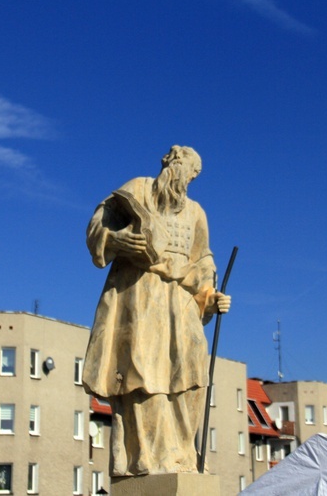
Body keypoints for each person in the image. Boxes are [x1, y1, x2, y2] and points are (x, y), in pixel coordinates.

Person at [83, 145, 231, 476]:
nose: (179, 169)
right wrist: (119, 241)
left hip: (179, 302)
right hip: (137, 295)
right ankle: (143, 459)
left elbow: (202, 261)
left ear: (193, 175)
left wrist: (210, 296)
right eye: (176, 161)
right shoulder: (136, 190)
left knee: (192, 372)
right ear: (167, 163)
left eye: (187, 167)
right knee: (141, 374)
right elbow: (96, 229)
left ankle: (181, 456)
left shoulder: (196, 213)